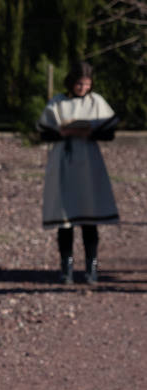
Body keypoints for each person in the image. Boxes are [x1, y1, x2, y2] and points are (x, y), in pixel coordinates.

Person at [37, 61, 119, 285]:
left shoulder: (95, 102)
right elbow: (44, 133)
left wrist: (87, 133)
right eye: (79, 84)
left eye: (86, 84)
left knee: (89, 216)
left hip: (88, 164)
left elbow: (109, 133)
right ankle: (67, 267)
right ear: (71, 82)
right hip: (64, 163)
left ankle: (92, 267)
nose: (83, 88)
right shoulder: (58, 103)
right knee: (66, 219)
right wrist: (64, 133)